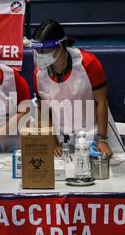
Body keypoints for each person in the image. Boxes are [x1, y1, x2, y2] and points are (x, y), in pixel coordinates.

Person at [30, 20, 116, 158]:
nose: (39, 55)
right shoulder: (38, 74)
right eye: (37, 50)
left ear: (60, 46)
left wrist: (102, 140)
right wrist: (52, 142)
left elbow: (102, 102)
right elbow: (43, 109)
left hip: (94, 136)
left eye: (44, 50)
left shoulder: (88, 63)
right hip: (62, 140)